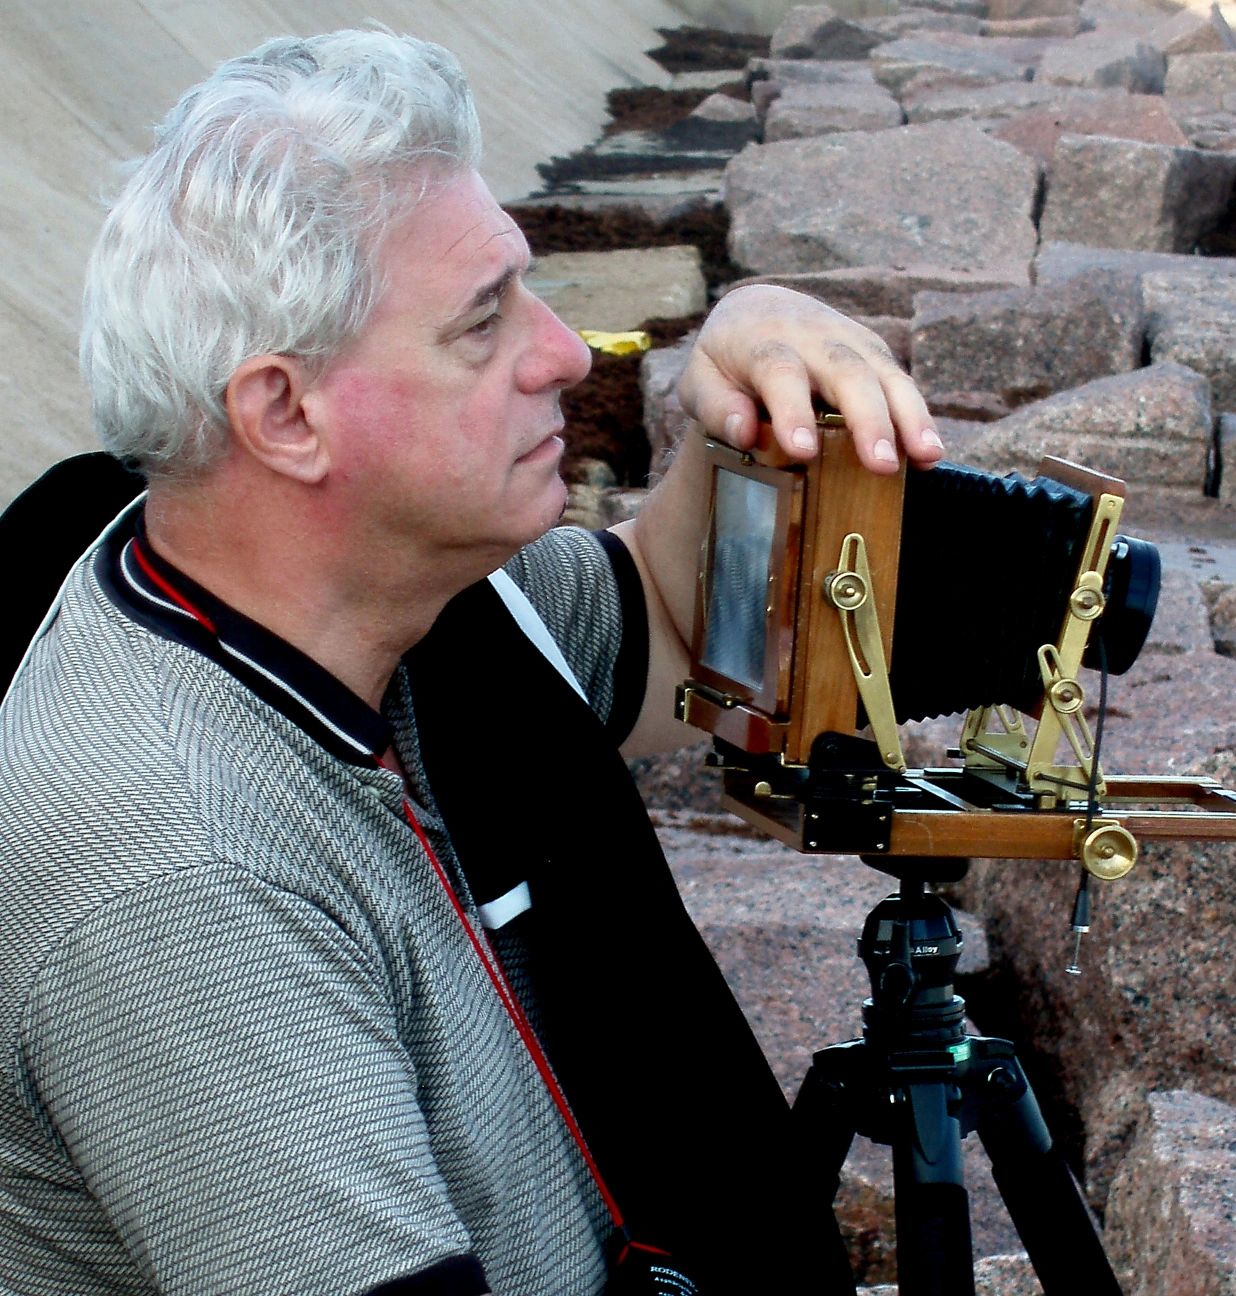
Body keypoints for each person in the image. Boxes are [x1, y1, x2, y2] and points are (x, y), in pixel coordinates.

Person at [0, 29, 941, 1296]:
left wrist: (764, 369)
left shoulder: (410, 602)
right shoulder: (183, 872)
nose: (565, 354)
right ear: (284, 414)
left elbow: (682, 627)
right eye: (484, 321)